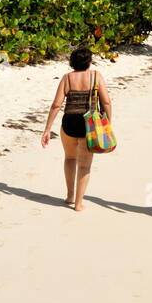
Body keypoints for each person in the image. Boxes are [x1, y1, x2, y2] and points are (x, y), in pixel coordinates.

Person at [40, 47, 112, 212]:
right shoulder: (96, 76)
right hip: (89, 125)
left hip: (69, 123)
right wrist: (108, 122)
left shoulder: (67, 78)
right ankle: (78, 204)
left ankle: (70, 195)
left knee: (70, 158)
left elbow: (56, 104)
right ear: (89, 62)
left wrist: (47, 129)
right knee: (85, 166)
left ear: (72, 62)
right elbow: (106, 102)